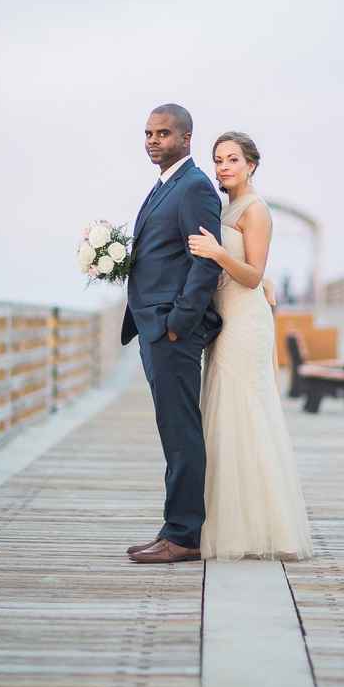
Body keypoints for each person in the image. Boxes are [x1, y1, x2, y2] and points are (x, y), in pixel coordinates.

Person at [188, 131, 314, 560]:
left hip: (244, 322)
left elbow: (252, 274)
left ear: (251, 165)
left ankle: (264, 530)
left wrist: (217, 253)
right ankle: (229, 523)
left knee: (245, 414)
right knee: (223, 416)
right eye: (218, 159)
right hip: (225, 318)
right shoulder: (227, 207)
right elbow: (255, 269)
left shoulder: (256, 209)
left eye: (233, 160)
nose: (224, 167)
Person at [122, 103, 223, 564]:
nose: (152, 141)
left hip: (172, 331)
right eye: (148, 133)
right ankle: (173, 528)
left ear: (186, 138)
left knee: (181, 433)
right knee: (172, 431)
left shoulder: (195, 187)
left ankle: (184, 536)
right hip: (153, 327)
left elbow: (205, 261)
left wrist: (178, 325)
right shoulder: (165, 185)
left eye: (162, 133)